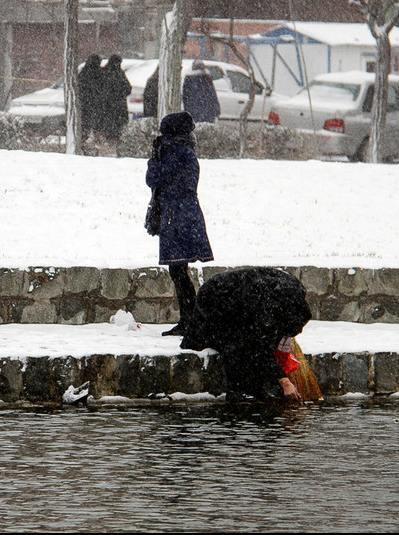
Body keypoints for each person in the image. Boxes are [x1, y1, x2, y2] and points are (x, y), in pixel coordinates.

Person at [181, 267, 312, 403]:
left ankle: (253, 389)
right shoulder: (270, 306)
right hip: (217, 296)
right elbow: (261, 347)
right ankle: (237, 391)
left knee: (252, 341)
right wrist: (285, 382)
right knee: (237, 344)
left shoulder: (293, 297)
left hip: (241, 296)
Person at [145, 111, 213, 337]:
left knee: (178, 271)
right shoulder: (186, 151)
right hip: (186, 213)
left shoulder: (175, 153)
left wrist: (153, 159)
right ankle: (191, 320)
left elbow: (153, 179)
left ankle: (190, 321)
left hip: (177, 216)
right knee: (180, 270)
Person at [100, 54, 132, 144]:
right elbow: (128, 88)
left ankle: (108, 141)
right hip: (119, 106)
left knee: (108, 127)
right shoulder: (120, 73)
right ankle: (116, 142)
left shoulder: (103, 72)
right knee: (118, 128)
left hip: (106, 106)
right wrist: (120, 95)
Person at [78, 54, 103, 145]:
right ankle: (96, 141)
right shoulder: (101, 73)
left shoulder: (83, 72)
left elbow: (79, 85)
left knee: (85, 123)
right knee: (97, 124)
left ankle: (84, 139)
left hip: (85, 102)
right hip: (98, 103)